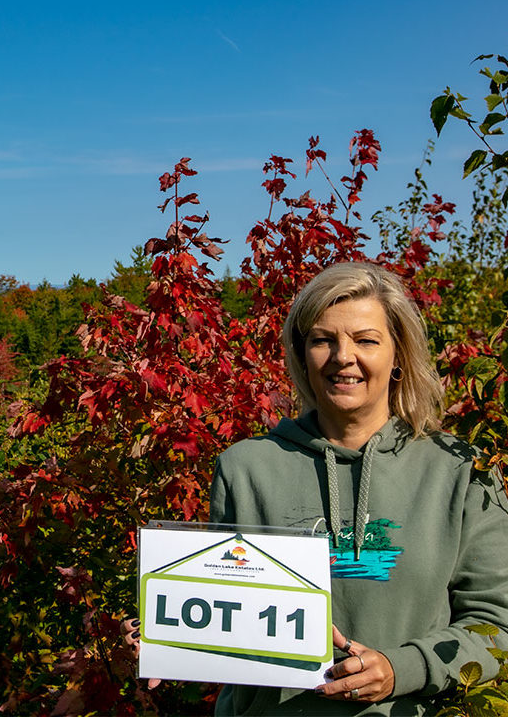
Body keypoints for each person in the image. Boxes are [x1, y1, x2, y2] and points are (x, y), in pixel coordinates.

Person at [122, 262, 508, 715]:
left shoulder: (460, 470)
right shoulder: (245, 468)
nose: (343, 356)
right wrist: (169, 635)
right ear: (302, 353)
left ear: (398, 353)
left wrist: (402, 667)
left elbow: (496, 624)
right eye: (323, 339)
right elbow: (225, 607)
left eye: (366, 340)